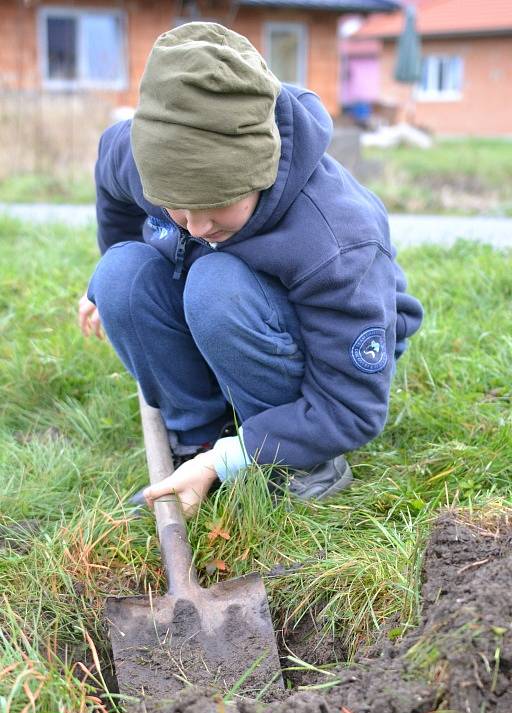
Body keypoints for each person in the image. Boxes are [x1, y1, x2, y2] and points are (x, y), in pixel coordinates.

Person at [78, 22, 423, 517]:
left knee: (217, 287)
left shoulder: (336, 237)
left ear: (258, 173)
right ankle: (197, 440)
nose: (196, 226)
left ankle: (296, 461)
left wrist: (238, 457)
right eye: (177, 207)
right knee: (118, 275)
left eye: (217, 205)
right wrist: (102, 280)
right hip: (233, 309)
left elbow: (352, 407)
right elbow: (111, 180)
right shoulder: (143, 158)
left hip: (325, 356)